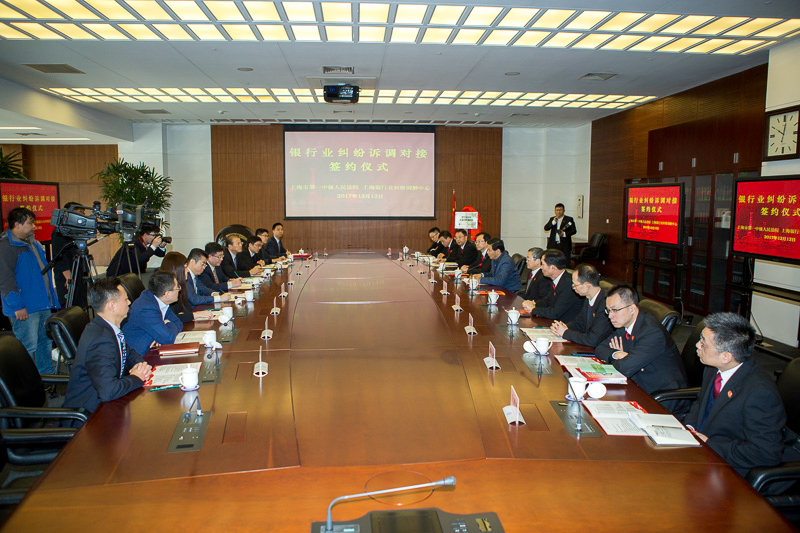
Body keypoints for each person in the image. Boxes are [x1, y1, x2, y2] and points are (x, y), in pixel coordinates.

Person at [684, 313, 785, 477]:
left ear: (726, 356)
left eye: (703, 343)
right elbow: (700, 403)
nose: (697, 345)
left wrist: (709, 443)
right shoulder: (713, 368)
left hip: (730, 466)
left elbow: (766, 453)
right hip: (700, 449)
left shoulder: (759, 393)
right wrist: (689, 427)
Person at [63, 277, 152, 414]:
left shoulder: (107, 327)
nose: (129, 302)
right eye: (125, 299)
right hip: (91, 414)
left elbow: (128, 353)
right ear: (111, 305)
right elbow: (108, 391)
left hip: (109, 403)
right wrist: (137, 377)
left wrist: (140, 366)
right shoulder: (101, 340)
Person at [595, 285, 688, 412]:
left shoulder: (652, 332)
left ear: (632, 308)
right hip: (637, 384)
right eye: (608, 311)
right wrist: (618, 354)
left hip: (661, 397)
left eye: (615, 310)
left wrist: (625, 360)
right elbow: (600, 348)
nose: (610, 316)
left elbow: (624, 368)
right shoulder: (625, 323)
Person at [0, 207, 60, 374]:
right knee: (27, 345)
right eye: (30, 223)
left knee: (44, 342)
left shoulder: (31, 242)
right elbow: (5, 280)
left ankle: (47, 375)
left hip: (42, 303)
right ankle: (25, 380)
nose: (34, 226)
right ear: (17, 224)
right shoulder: (6, 246)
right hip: (25, 307)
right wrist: (17, 306)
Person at [550, 264, 613, 348]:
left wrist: (565, 332)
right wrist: (563, 327)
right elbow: (579, 323)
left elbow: (593, 339)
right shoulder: (588, 298)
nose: (573, 288)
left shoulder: (605, 304)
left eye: (575, 285)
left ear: (587, 286)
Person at [121, 270, 183, 354]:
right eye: (177, 287)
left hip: (151, 349)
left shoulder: (159, 299)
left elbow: (178, 322)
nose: (179, 290)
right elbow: (168, 339)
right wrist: (168, 325)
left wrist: (160, 335)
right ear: (167, 294)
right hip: (141, 356)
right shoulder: (147, 308)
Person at [526, 249, 583, 323]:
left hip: (566, 325)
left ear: (553, 268)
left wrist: (533, 309)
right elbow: (547, 301)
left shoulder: (568, 285)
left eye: (543, 264)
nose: (541, 267)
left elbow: (555, 312)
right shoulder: (556, 280)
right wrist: (534, 304)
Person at [51, 201, 89, 308]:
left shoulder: (78, 231)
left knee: (81, 305)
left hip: (79, 273)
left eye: (83, 213)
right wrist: (69, 278)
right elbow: (59, 257)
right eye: (78, 213)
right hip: (67, 276)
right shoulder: (59, 231)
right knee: (69, 306)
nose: (81, 216)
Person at [159, 252, 214, 323]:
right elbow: (169, 318)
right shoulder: (166, 290)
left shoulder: (181, 286)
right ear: (176, 270)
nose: (187, 270)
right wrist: (194, 315)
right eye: (185, 267)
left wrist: (183, 315)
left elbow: (186, 309)